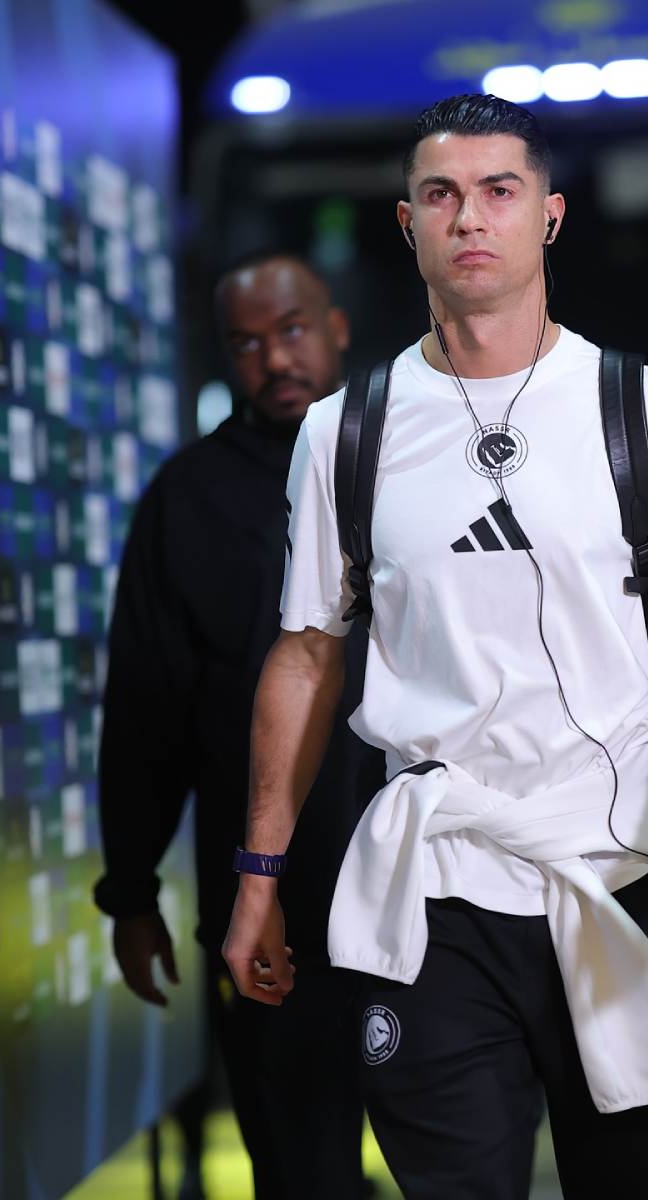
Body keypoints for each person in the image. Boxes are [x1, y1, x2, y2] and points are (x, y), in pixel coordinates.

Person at [222, 94, 648, 1200]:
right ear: (408, 224)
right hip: (435, 886)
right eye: (441, 194)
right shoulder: (346, 430)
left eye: (499, 191)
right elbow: (306, 655)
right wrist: (258, 873)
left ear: (549, 216)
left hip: (624, 864)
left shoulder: (637, 408)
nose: (469, 217)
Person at [94, 251, 381, 1199]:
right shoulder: (187, 499)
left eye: (291, 330)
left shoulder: (418, 458)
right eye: (246, 343)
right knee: (300, 1171)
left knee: (465, 1155)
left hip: (437, 880)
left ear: (336, 328)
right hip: (273, 898)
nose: (274, 359)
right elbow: (146, 712)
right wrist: (131, 892)